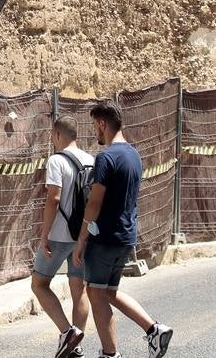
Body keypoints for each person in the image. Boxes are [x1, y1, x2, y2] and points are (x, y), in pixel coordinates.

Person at [72, 101, 172, 358]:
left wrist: (82, 238)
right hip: (126, 236)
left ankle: (110, 353)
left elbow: (95, 202)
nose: (95, 132)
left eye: (96, 126)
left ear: (103, 124)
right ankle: (154, 330)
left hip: (103, 237)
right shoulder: (133, 154)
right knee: (109, 292)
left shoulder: (105, 157)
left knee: (95, 293)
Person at [31, 114, 94, 358]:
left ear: (57, 135)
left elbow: (53, 198)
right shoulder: (91, 160)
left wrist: (44, 235)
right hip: (84, 236)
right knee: (79, 289)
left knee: (39, 283)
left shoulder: (56, 160)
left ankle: (67, 332)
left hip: (59, 235)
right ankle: (75, 346)